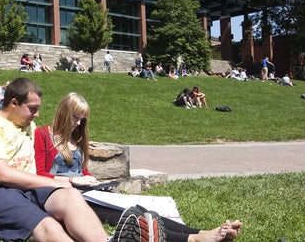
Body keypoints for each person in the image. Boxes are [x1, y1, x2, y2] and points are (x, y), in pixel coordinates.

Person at [33, 92, 242, 242]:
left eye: (82, 119)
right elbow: (39, 174)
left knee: (144, 210)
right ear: (63, 111)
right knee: (129, 216)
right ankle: (194, 239)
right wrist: (72, 180)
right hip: (63, 195)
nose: (78, 123)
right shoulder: (43, 134)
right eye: (75, 117)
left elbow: (83, 171)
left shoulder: (76, 138)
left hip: (88, 192)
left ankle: (200, 233)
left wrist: (93, 180)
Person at [0, 78, 150, 242]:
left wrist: (76, 138)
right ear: (14, 103)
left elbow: (54, 134)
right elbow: (2, 174)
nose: (36, 114)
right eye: (32, 109)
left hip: (29, 191)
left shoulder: (28, 125)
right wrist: (61, 182)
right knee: (50, 226)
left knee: (71, 196)